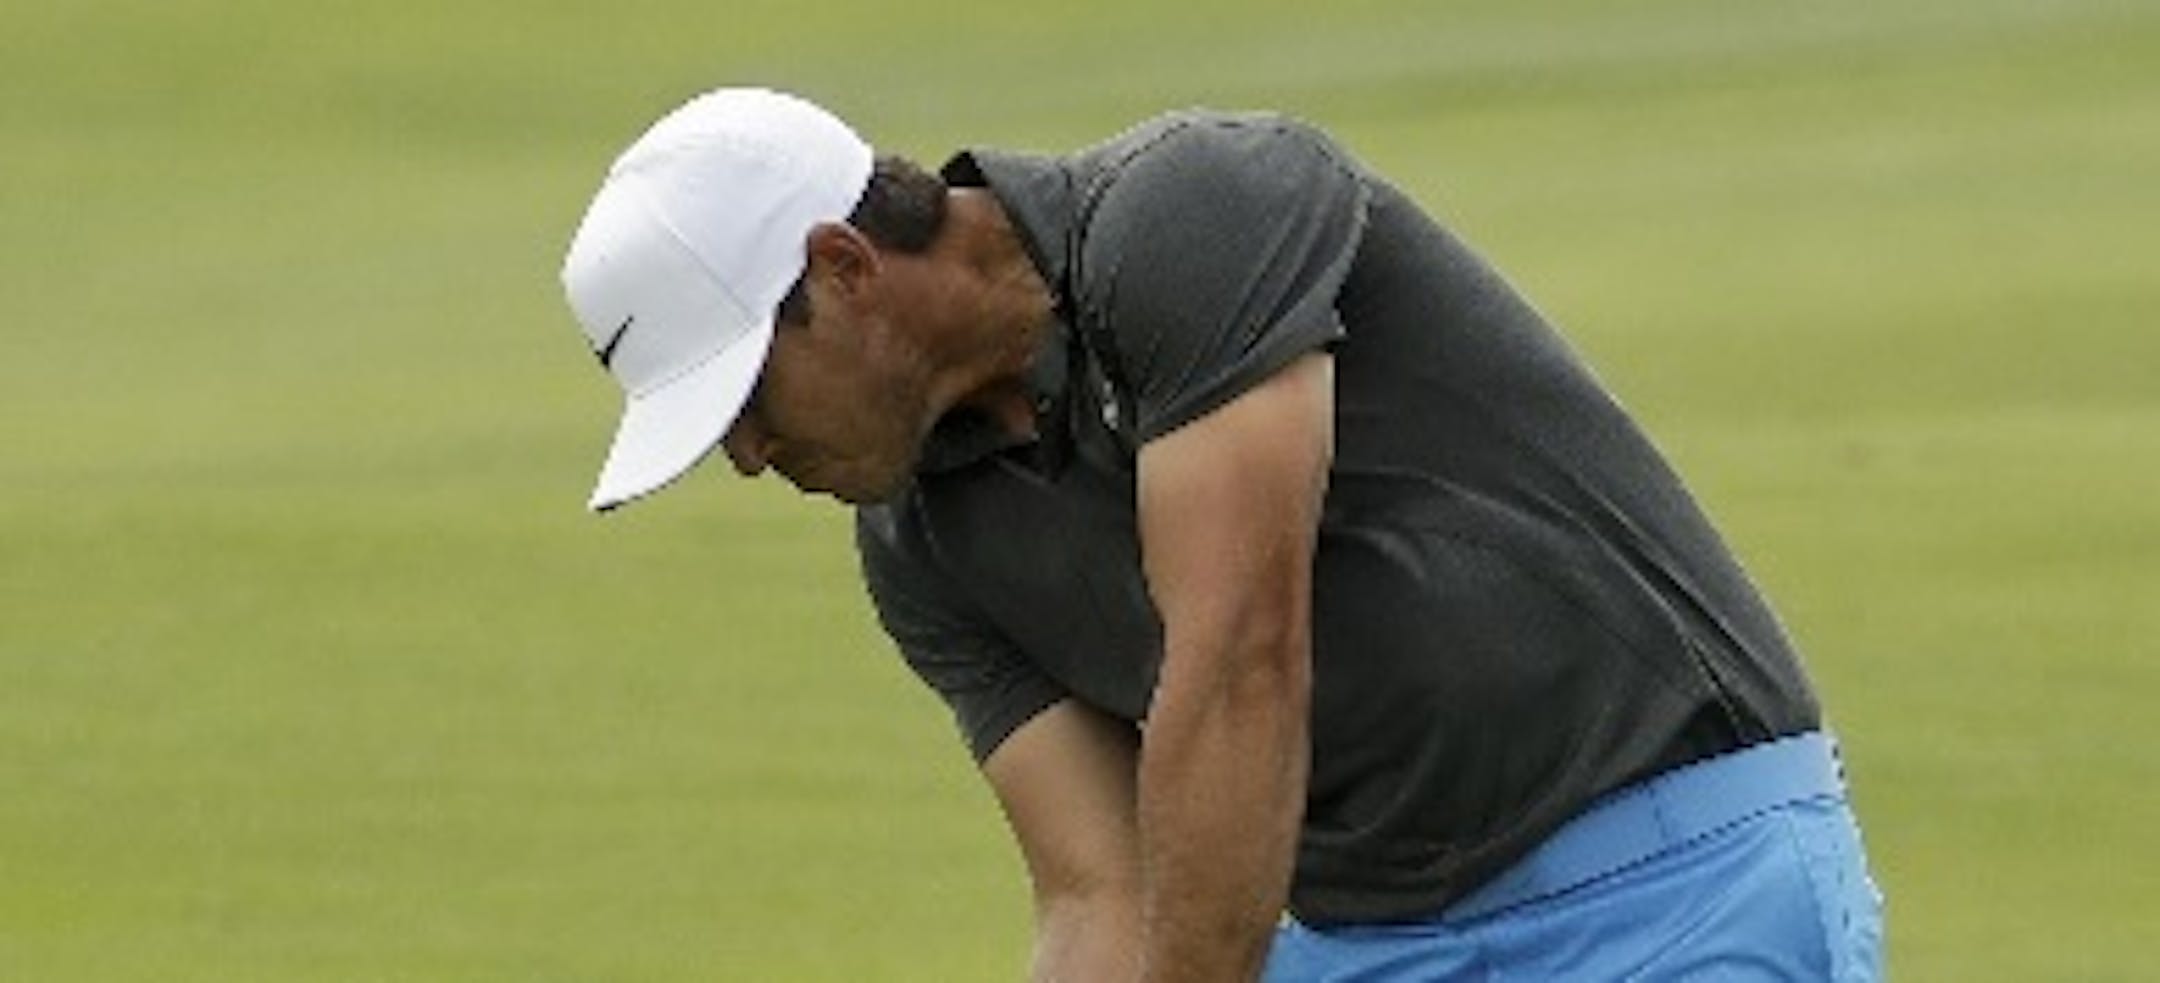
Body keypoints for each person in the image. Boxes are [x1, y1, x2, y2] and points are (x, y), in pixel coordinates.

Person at [557, 87, 1885, 981]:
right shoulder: (921, 546)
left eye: (741, 398)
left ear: (844, 269)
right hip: (1366, 941)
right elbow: (1099, 892)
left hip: (1682, 885)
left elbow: (1242, 649)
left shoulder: (1195, 213)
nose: (744, 456)